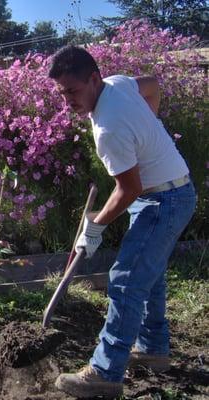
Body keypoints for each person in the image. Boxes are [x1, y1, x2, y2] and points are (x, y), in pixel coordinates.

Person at [48, 45, 196, 398]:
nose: (67, 101)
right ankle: (153, 348)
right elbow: (154, 85)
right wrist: (149, 128)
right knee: (151, 274)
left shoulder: (109, 128)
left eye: (73, 91)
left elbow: (129, 188)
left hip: (161, 201)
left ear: (94, 79)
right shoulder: (118, 83)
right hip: (176, 192)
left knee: (127, 282)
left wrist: (95, 227)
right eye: (61, 93)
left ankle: (104, 371)